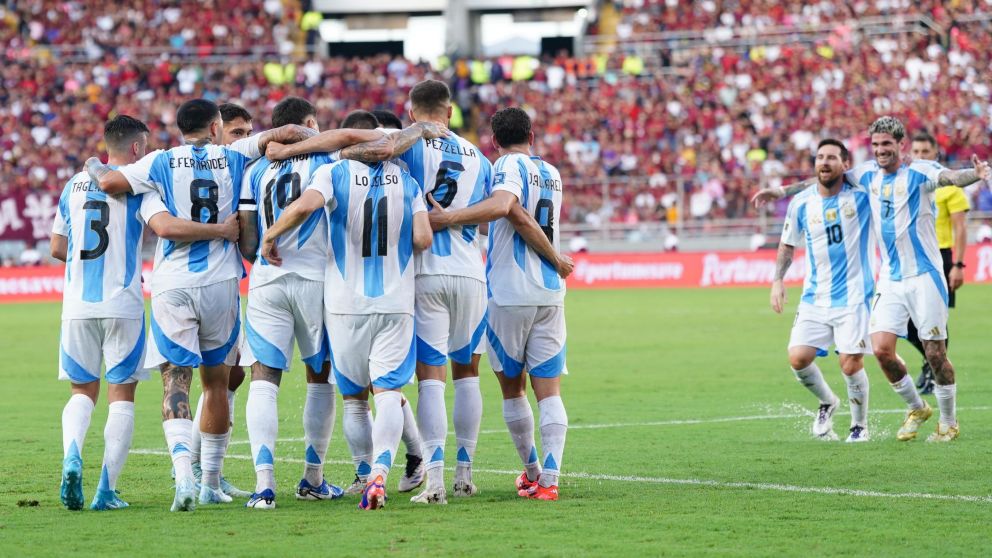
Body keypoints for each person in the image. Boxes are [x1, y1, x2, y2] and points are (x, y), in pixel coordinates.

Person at [86, 98, 314, 511]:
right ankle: (210, 480)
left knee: (176, 381)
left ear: (179, 129)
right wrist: (291, 143)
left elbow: (108, 183)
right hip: (221, 283)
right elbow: (288, 133)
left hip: (173, 284)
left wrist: (92, 164)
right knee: (217, 382)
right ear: (215, 127)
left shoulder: (158, 163)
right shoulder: (232, 155)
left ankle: (185, 479)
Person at [753, 116, 990, 442]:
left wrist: (974, 176)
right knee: (881, 350)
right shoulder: (865, 175)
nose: (880, 151)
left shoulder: (921, 172)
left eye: (886, 145)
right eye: (876, 145)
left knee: (934, 353)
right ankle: (917, 407)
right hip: (891, 278)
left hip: (925, 275)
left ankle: (948, 421)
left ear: (900, 146)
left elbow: (950, 177)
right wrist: (781, 191)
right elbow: (824, 179)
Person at [54, 115, 239, 511]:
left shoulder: (71, 185)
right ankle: (106, 490)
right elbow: (165, 225)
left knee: (81, 391)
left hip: (75, 304)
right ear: (137, 148)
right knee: (122, 396)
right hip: (123, 303)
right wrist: (222, 231)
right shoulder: (143, 187)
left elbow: (58, 246)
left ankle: (72, 454)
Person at [265, 108, 452, 497]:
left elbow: (303, 207)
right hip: (396, 300)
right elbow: (422, 240)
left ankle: (366, 474)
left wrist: (271, 236)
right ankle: (384, 471)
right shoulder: (409, 181)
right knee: (387, 392)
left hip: (343, 303)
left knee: (353, 400)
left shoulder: (332, 173)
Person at [237, 98, 392, 508]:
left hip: (266, 279)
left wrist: (265, 252)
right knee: (318, 378)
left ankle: (263, 485)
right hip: (316, 280)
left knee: (264, 379)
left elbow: (248, 237)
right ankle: (312, 477)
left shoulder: (254, 170)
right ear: (310, 124)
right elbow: (376, 138)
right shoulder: (327, 160)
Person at [427, 107, 574, 501]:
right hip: (550, 293)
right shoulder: (552, 173)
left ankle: (532, 472)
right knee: (550, 390)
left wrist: (450, 218)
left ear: (494, 141)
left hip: (510, 291)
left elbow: (506, 206)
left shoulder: (506, 164)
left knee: (512, 388)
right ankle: (549, 478)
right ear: (532, 133)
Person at [769, 139, 873, 442]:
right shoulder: (802, 202)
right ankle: (828, 402)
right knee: (798, 358)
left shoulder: (861, 197)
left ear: (844, 163)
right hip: (815, 295)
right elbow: (787, 244)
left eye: (831, 158)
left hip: (855, 294)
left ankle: (859, 426)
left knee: (850, 362)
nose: (824, 163)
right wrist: (777, 280)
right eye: (820, 158)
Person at [907, 131, 969, 395]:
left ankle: (937, 370)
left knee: (936, 323)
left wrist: (958, 264)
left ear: (936, 154)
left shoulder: (947, 187)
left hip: (940, 256)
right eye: (916, 152)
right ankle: (930, 362)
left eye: (925, 152)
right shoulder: (909, 183)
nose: (920, 156)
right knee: (909, 325)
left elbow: (961, 228)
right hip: (913, 257)